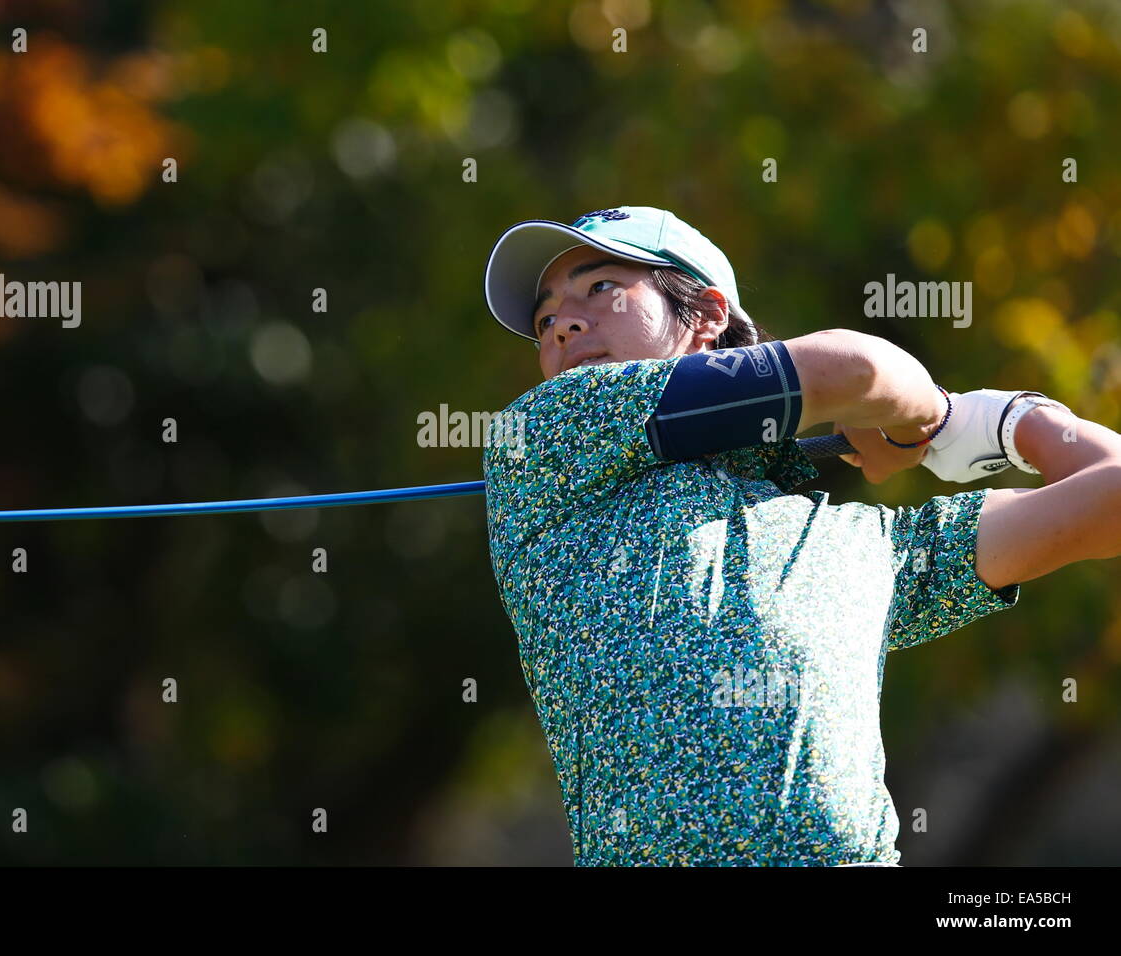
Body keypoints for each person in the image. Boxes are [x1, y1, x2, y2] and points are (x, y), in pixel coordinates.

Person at [480, 205, 1121, 866]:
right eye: (544, 319)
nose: (563, 324)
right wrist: (933, 417)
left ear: (705, 314)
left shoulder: (870, 547)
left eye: (600, 287)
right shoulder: (546, 434)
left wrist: (1012, 419)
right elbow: (858, 371)